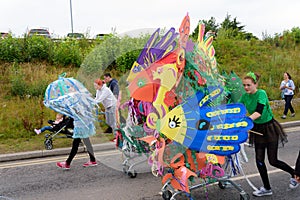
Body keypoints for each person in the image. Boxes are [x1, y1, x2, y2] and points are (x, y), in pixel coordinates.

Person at [239, 72, 298, 197]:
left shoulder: (261, 93)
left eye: (248, 85)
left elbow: (259, 112)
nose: (246, 88)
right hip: (257, 129)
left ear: (255, 84)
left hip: (269, 128)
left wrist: (246, 121)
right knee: (259, 160)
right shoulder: (244, 96)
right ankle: (267, 188)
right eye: (244, 85)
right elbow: (237, 110)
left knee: (273, 160)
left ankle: (294, 173)